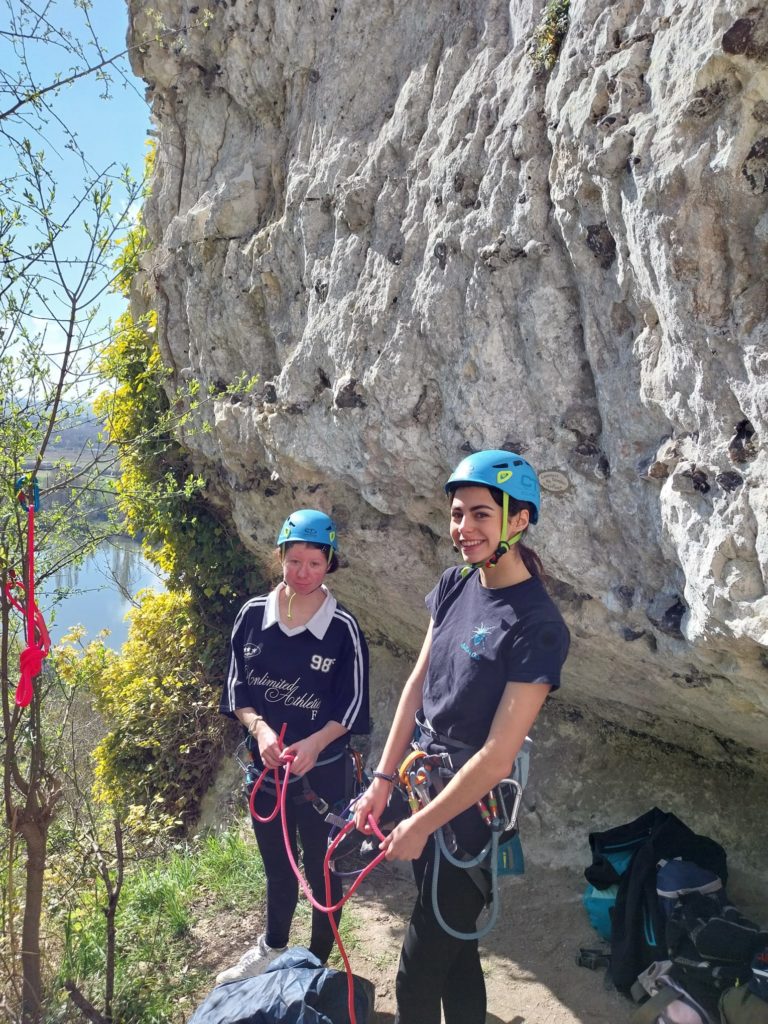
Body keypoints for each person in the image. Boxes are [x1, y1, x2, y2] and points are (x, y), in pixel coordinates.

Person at [353, 449, 570, 1024]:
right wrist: (381, 780)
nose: (463, 528)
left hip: (470, 813)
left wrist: (422, 824)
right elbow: (416, 688)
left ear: (518, 520)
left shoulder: (538, 626)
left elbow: (497, 756)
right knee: (457, 951)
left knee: (415, 975)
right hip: (423, 787)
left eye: (480, 514)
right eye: (457, 514)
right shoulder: (454, 584)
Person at [217, 509, 370, 985]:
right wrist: (260, 729)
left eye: (315, 563)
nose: (303, 573)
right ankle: (274, 947)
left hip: (322, 775)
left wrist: (314, 744)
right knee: (278, 868)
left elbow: (352, 706)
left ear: (330, 564)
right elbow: (237, 689)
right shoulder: (252, 616)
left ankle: (317, 961)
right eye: (294, 561)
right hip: (265, 771)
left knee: (323, 870)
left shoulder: (342, 628)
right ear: (280, 557)